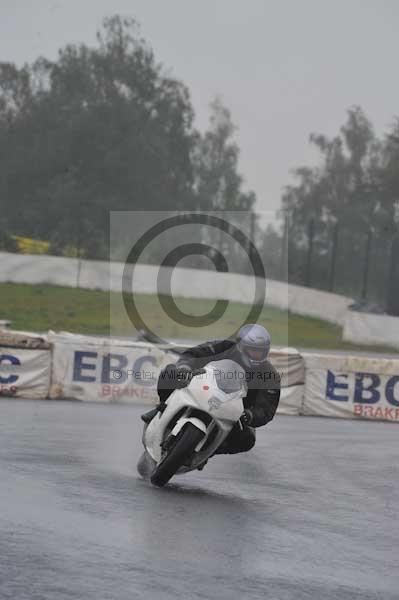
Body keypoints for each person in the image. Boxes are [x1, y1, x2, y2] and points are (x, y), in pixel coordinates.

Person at [142, 324, 281, 457]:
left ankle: (210, 450)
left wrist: (250, 415)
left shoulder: (270, 375)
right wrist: (185, 368)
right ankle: (162, 407)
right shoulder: (223, 347)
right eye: (253, 350)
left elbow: (267, 409)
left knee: (247, 439)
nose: (256, 355)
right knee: (171, 372)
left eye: (260, 351)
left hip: (235, 411)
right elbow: (194, 353)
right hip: (204, 387)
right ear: (240, 346)